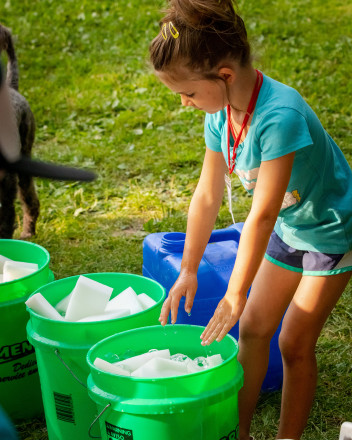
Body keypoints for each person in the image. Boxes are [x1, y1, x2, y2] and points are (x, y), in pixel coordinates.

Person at [149, 1, 352, 439]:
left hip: (331, 231)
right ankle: (237, 433)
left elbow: (259, 216)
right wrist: (187, 269)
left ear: (224, 75)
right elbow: (206, 196)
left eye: (187, 93)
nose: (184, 104)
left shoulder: (281, 116)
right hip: (289, 227)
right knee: (255, 331)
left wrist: (235, 293)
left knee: (293, 343)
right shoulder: (219, 113)